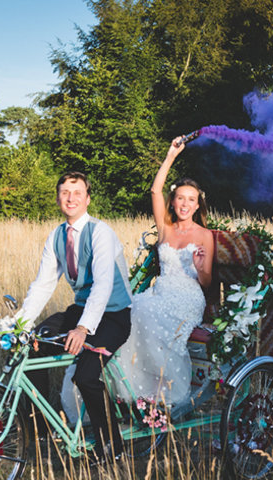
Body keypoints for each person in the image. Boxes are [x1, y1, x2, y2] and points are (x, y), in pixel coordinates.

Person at [12, 171, 133, 464]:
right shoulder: (56, 236)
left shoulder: (101, 232)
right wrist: (21, 325)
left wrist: (82, 329)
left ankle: (111, 446)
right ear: (57, 198)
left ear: (88, 198)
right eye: (65, 192)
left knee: (86, 375)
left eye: (77, 192)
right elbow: (43, 284)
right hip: (81, 311)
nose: (71, 197)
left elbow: (103, 285)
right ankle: (41, 433)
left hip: (113, 315)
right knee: (30, 346)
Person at [110, 137, 214, 413]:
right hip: (160, 291)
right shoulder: (166, 229)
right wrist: (170, 156)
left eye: (191, 200)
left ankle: (162, 394)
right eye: (180, 197)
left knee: (147, 313)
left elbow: (206, 282)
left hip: (188, 297)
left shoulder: (205, 235)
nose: (185, 203)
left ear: (197, 205)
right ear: (174, 200)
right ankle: (135, 392)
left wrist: (201, 264)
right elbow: (155, 191)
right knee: (131, 310)